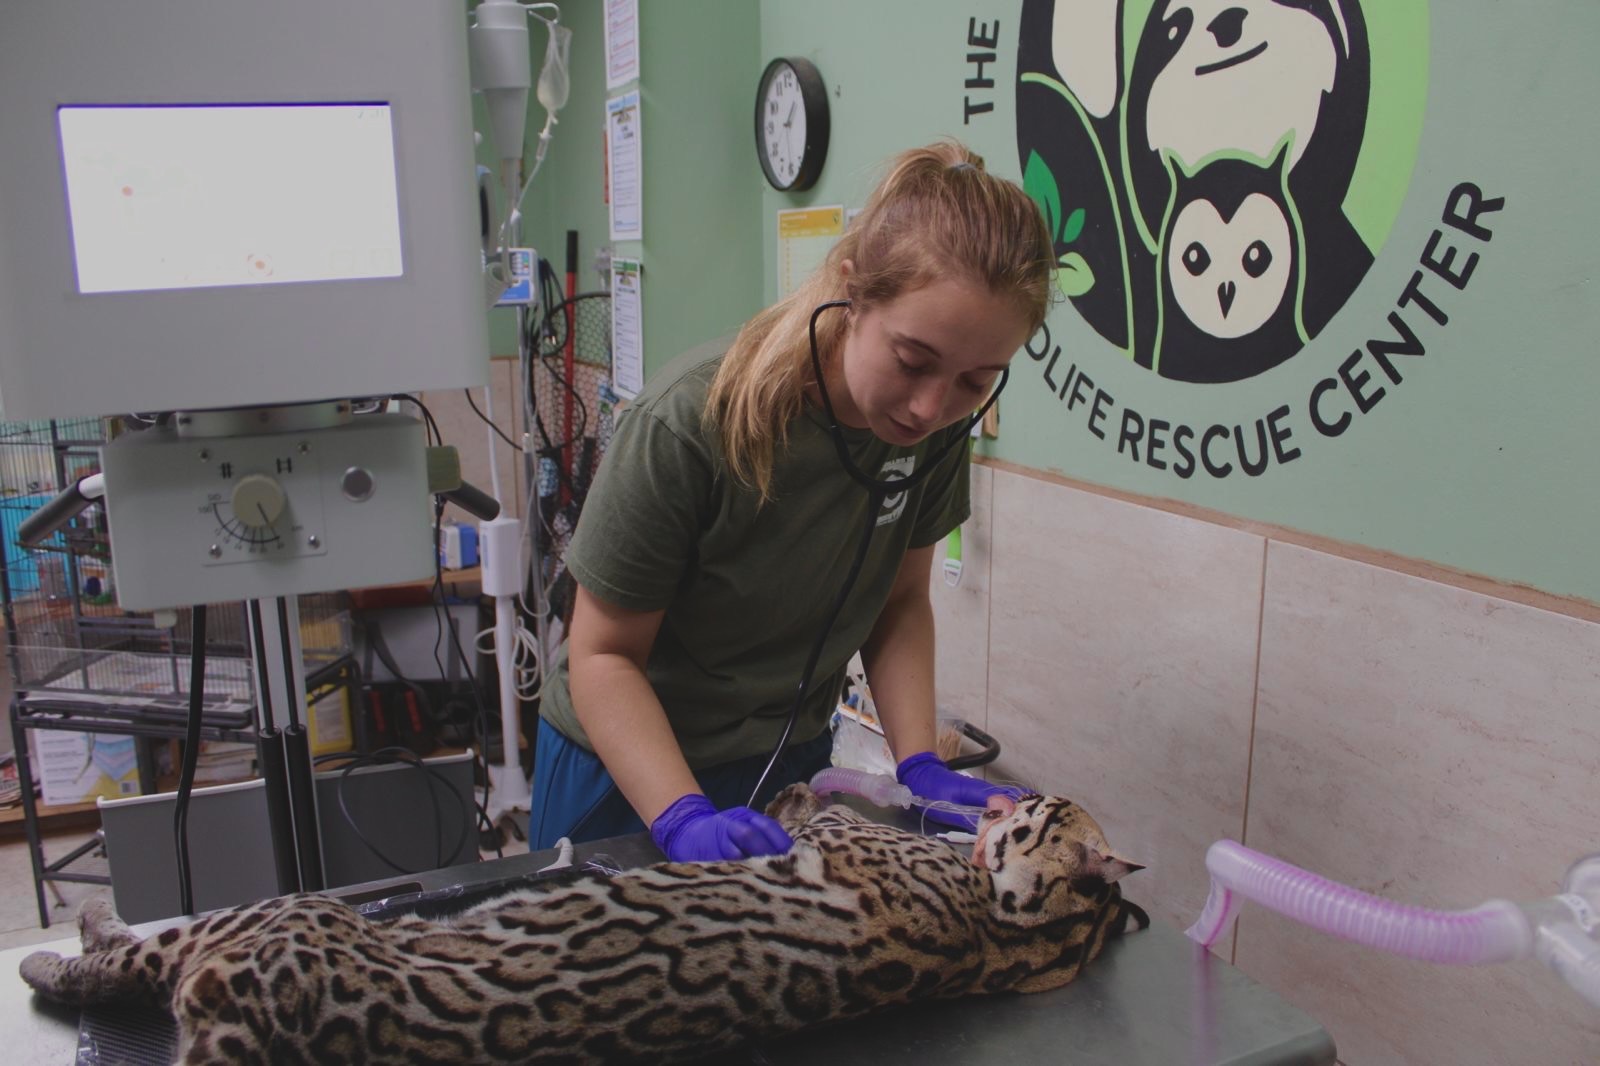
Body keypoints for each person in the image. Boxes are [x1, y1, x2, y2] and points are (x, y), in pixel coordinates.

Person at [529, 140, 1055, 862]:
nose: (932, 406)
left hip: (785, 759)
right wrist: (681, 816)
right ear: (851, 290)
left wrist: (918, 763)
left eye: (975, 380)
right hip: (627, 768)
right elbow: (602, 655)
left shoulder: (931, 433)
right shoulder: (691, 423)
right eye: (912, 360)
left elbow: (899, 605)